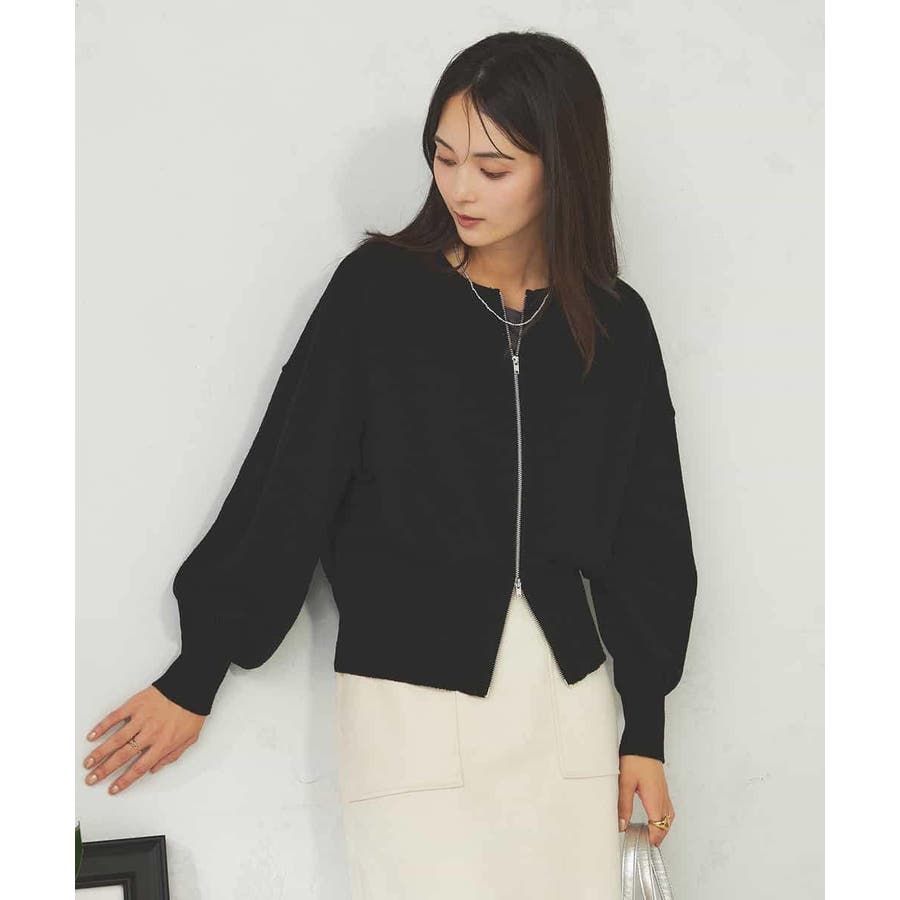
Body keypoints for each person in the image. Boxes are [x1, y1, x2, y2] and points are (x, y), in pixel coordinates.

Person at [82, 30, 697, 899]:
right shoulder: (378, 292)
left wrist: (647, 732)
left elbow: (648, 534)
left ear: (563, 168)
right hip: (407, 701)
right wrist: (196, 674)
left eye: (493, 167)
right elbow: (290, 479)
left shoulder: (615, 323)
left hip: (565, 701)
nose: (460, 188)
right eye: (444, 158)